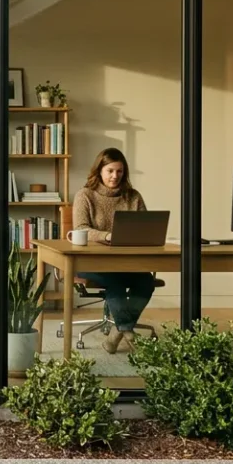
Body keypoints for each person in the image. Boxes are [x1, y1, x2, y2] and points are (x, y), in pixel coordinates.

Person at [72, 147, 157, 354]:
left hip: (126, 262)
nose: (114, 176)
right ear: (99, 171)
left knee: (146, 281)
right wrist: (107, 236)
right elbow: (81, 228)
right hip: (90, 263)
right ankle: (127, 331)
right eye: (110, 171)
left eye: (119, 171)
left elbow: (145, 227)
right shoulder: (85, 195)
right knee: (115, 280)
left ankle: (117, 333)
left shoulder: (133, 197)